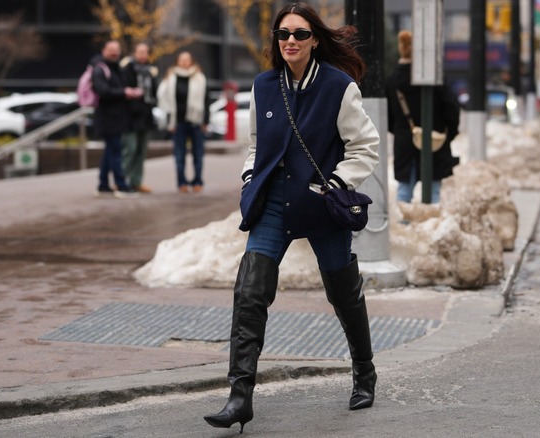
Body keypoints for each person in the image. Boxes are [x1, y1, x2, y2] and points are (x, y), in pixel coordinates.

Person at [204, 2, 380, 432]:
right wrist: (250, 178)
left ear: (314, 39)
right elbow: (254, 144)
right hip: (272, 205)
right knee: (249, 293)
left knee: (343, 292)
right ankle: (239, 396)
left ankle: (364, 371)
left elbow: (365, 146)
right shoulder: (264, 86)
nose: (290, 42)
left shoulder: (338, 86)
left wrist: (334, 186)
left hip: (321, 206)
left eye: (300, 34)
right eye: (283, 34)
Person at [385, 30, 460, 204]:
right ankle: (432, 226)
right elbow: (452, 108)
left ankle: (404, 227)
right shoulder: (434, 76)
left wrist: (403, 131)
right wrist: (448, 134)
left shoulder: (392, 80)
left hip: (405, 142)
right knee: (433, 192)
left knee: (404, 192)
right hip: (435, 141)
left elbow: (388, 117)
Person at [92, 40, 142, 199]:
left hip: (118, 117)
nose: (114, 53)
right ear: (103, 50)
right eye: (111, 50)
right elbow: (103, 91)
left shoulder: (118, 68)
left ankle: (103, 185)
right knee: (115, 152)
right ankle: (121, 185)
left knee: (110, 152)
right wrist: (124, 92)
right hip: (107, 118)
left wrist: (130, 92)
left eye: (116, 50)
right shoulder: (99, 69)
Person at [157, 51, 209, 194]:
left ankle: (198, 181)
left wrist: (205, 120)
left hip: (196, 122)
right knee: (179, 155)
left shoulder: (200, 78)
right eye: (182, 60)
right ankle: (182, 182)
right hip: (177, 123)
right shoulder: (170, 78)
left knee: (198, 155)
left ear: (191, 61)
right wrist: (170, 123)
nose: (185, 62)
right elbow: (165, 102)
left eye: (187, 59)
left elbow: (206, 100)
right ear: (177, 61)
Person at [121, 42, 158, 194]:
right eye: (140, 52)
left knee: (141, 151)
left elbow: (154, 94)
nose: (143, 55)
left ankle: (136, 181)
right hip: (130, 117)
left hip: (146, 116)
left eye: (145, 52)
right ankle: (121, 181)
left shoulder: (150, 72)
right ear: (134, 53)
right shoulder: (127, 70)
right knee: (130, 149)